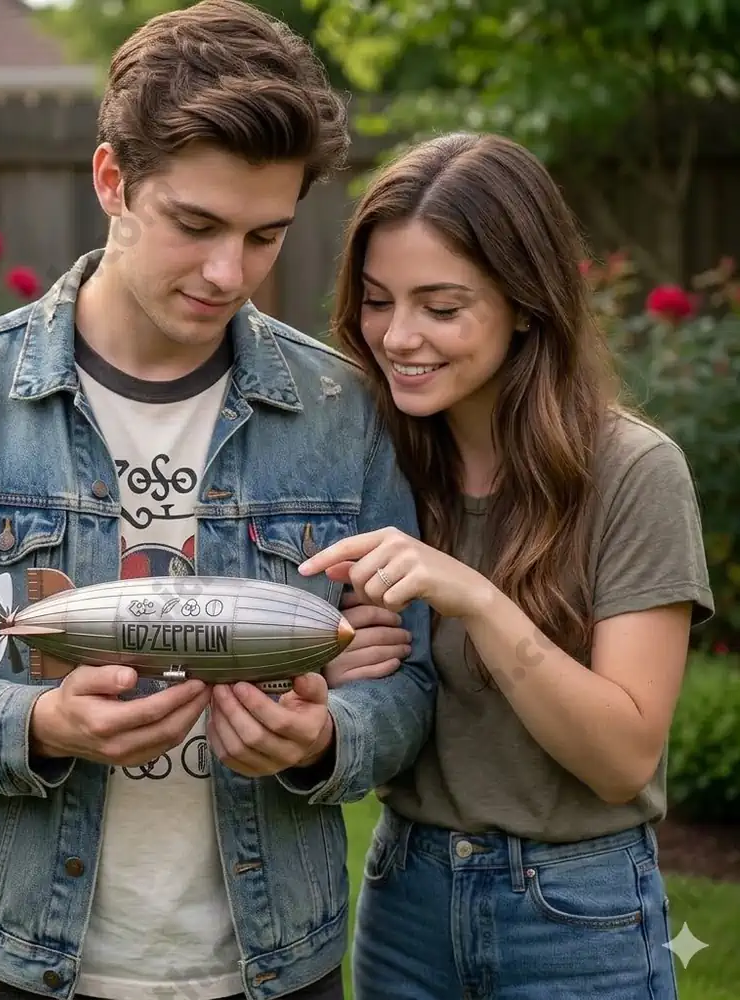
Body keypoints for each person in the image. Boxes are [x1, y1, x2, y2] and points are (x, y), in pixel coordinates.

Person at [0, 3, 437, 999]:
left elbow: (408, 683)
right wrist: (36, 726)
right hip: (23, 964)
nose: (227, 273)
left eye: (263, 234)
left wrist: (329, 737)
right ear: (112, 179)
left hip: (278, 965)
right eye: (195, 225)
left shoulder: (342, 411)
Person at [297, 131, 715, 1000]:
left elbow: (622, 758)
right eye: (377, 300)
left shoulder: (631, 473)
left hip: (576, 914)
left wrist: (479, 601)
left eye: (441, 308)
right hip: (403, 898)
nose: (398, 337)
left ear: (526, 303)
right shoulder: (375, 464)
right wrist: (327, 664)